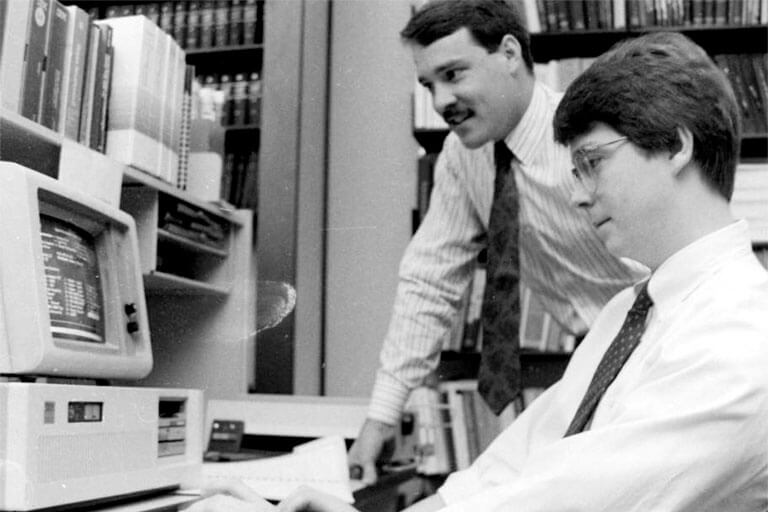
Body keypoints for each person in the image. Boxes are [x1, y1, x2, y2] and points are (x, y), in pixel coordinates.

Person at [186, 30, 768, 512]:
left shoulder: (744, 334)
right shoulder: (630, 310)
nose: (580, 196)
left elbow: (580, 497)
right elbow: (526, 456)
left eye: (592, 164)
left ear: (676, 147)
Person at [349, 0, 643, 484]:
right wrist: (380, 417)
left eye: (453, 74)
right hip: (596, 361)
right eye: (429, 84)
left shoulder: (594, 136)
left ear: (509, 53)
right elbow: (429, 280)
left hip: (665, 350)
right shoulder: (463, 158)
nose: (442, 100)